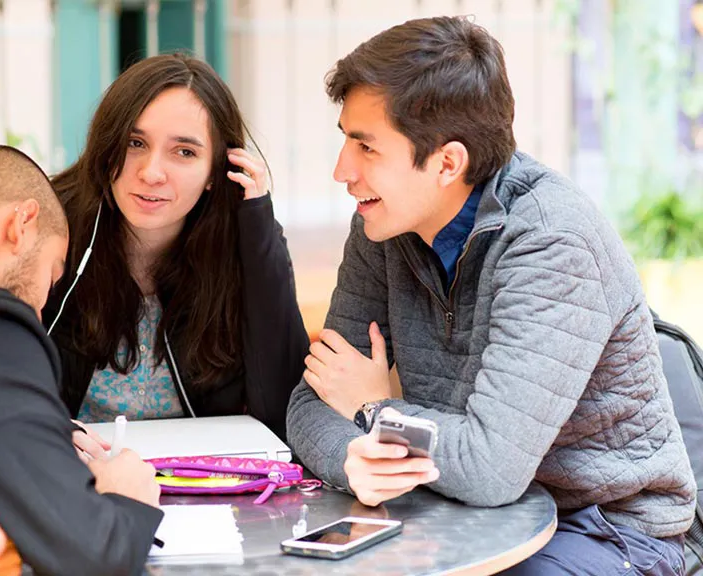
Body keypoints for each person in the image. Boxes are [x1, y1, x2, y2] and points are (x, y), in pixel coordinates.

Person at [286, 16, 696, 575]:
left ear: (447, 163)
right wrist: (350, 455)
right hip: (464, 512)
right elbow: (313, 396)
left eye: (365, 146)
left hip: (608, 527)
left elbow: (487, 466)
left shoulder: (553, 243)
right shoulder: (382, 226)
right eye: (345, 139)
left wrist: (373, 409)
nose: (342, 170)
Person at [42, 54, 308, 442]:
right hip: (68, 466)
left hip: (201, 479)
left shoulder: (245, 242)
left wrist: (257, 230)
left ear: (216, 172)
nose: (151, 173)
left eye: (185, 152)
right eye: (135, 143)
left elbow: (282, 406)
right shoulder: (53, 228)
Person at [0, 145, 163, 575]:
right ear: (21, 223)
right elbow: (92, 554)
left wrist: (5, 518)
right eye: (53, 274)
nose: (39, 312)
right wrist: (121, 496)